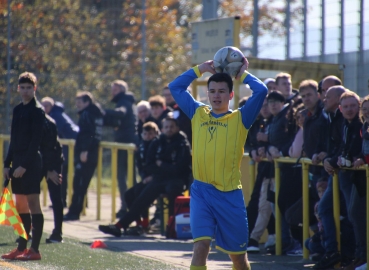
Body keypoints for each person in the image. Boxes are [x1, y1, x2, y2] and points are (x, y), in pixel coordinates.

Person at [168, 58, 267, 270]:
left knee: (238, 258)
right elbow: (174, 87)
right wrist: (200, 69)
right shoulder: (198, 112)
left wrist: (242, 74)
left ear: (231, 95)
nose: (216, 95)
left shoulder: (241, 118)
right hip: (201, 192)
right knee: (201, 246)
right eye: (212, 91)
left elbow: (262, 91)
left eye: (222, 91)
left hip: (229, 196)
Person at [98, 116, 191, 236]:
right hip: (159, 179)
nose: (169, 129)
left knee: (173, 190)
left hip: (176, 180)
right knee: (140, 197)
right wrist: (165, 167)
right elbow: (149, 165)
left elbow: (180, 169)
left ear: (177, 128)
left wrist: (161, 164)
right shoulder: (157, 142)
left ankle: (172, 227)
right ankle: (122, 226)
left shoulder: (182, 143)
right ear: (162, 129)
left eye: (172, 127)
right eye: (166, 127)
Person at [2, 72, 45, 260]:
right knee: (20, 207)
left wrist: (24, 166)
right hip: (17, 162)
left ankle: (34, 250)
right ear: (18, 88)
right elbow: (14, 139)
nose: (26, 91)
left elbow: (35, 142)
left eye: (29, 88)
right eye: (23, 87)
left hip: (31, 164)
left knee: (33, 204)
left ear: (34, 89)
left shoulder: (38, 111)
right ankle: (21, 247)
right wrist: (7, 163)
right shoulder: (18, 110)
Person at [63, 91, 103, 221]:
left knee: (79, 183)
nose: (77, 105)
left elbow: (89, 133)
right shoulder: (95, 113)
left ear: (87, 102)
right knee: (81, 183)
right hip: (91, 152)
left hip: (87, 153)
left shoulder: (87, 114)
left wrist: (85, 150)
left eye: (79, 102)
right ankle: (76, 209)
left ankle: (74, 212)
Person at [102, 80, 138, 218]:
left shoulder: (124, 102)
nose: (112, 92)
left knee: (124, 177)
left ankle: (126, 206)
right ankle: (129, 205)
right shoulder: (127, 101)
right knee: (127, 177)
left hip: (125, 145)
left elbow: (121, 113)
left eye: (115, 90)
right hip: (126, 144)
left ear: (122, 90)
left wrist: (103, 112)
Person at [41, 97, 79, 208]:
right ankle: (63, 201)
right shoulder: (56, 114)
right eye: (42, 105)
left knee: (62, 175)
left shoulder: (55, 116)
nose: (44, 108)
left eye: (46, 105)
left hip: (68, 147)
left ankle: (62, 201)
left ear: (51, 106)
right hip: (68, 147)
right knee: (65, 176)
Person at [125, 121, 160, 235]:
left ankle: (145, 224)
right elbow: (140, 165)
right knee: (129, 194)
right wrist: (144, 177)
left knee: (140, 192)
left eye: (150, 134)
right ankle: (139, 223)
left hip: (157, 179)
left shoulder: (159, 145)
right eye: (145, 134)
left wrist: (152, 176)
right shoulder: (141, 147)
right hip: (146, 179)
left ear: (156, 133)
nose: (147, 136)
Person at [40, 114, 64, 243]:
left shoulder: (48, 122)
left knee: (55, 197)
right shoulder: (23, 116)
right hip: (36, 162)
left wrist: (50, 169)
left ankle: (57, 232)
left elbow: (52, 147)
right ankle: (27, 231)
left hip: (51, 163)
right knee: (28, 197)